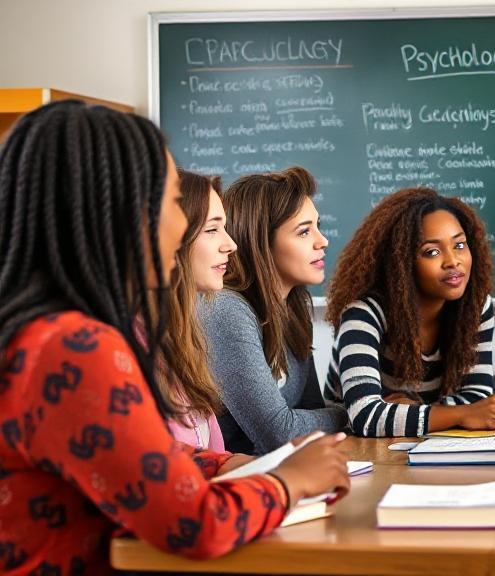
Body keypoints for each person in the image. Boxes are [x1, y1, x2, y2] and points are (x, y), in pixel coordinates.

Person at [0, 100, 350, 573]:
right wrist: (289, 483)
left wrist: (217, 464)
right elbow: (193, 525)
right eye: (169, 202)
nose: (180, 226)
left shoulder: (43, 334)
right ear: (121, 214)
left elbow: (132, 453)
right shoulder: (75, 348)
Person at [324, 187, 495, 437]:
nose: (453, 261)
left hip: (419, 445)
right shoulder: (363, 313)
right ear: (401, 262)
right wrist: (460, 414)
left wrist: (414, 411)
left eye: (459, 245)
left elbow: (477, 396)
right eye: (432, 252)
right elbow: (365, 416)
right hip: (352, 452)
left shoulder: (475, 306)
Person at [202, 166, 347, 454]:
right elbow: (280, 432)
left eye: (317, 226)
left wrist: (353, 413)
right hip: (232, 483)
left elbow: (310, 409)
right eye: (304, 231)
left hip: (277, 473)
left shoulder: (293, 307)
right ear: (261, 243)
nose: (323, 241)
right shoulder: (226, 310)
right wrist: (357, 413)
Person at [158, 169, 236, 451]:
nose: (231, 245)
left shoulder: (184, 338)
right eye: (212, 229)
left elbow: (216, 455)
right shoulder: (135, 346)